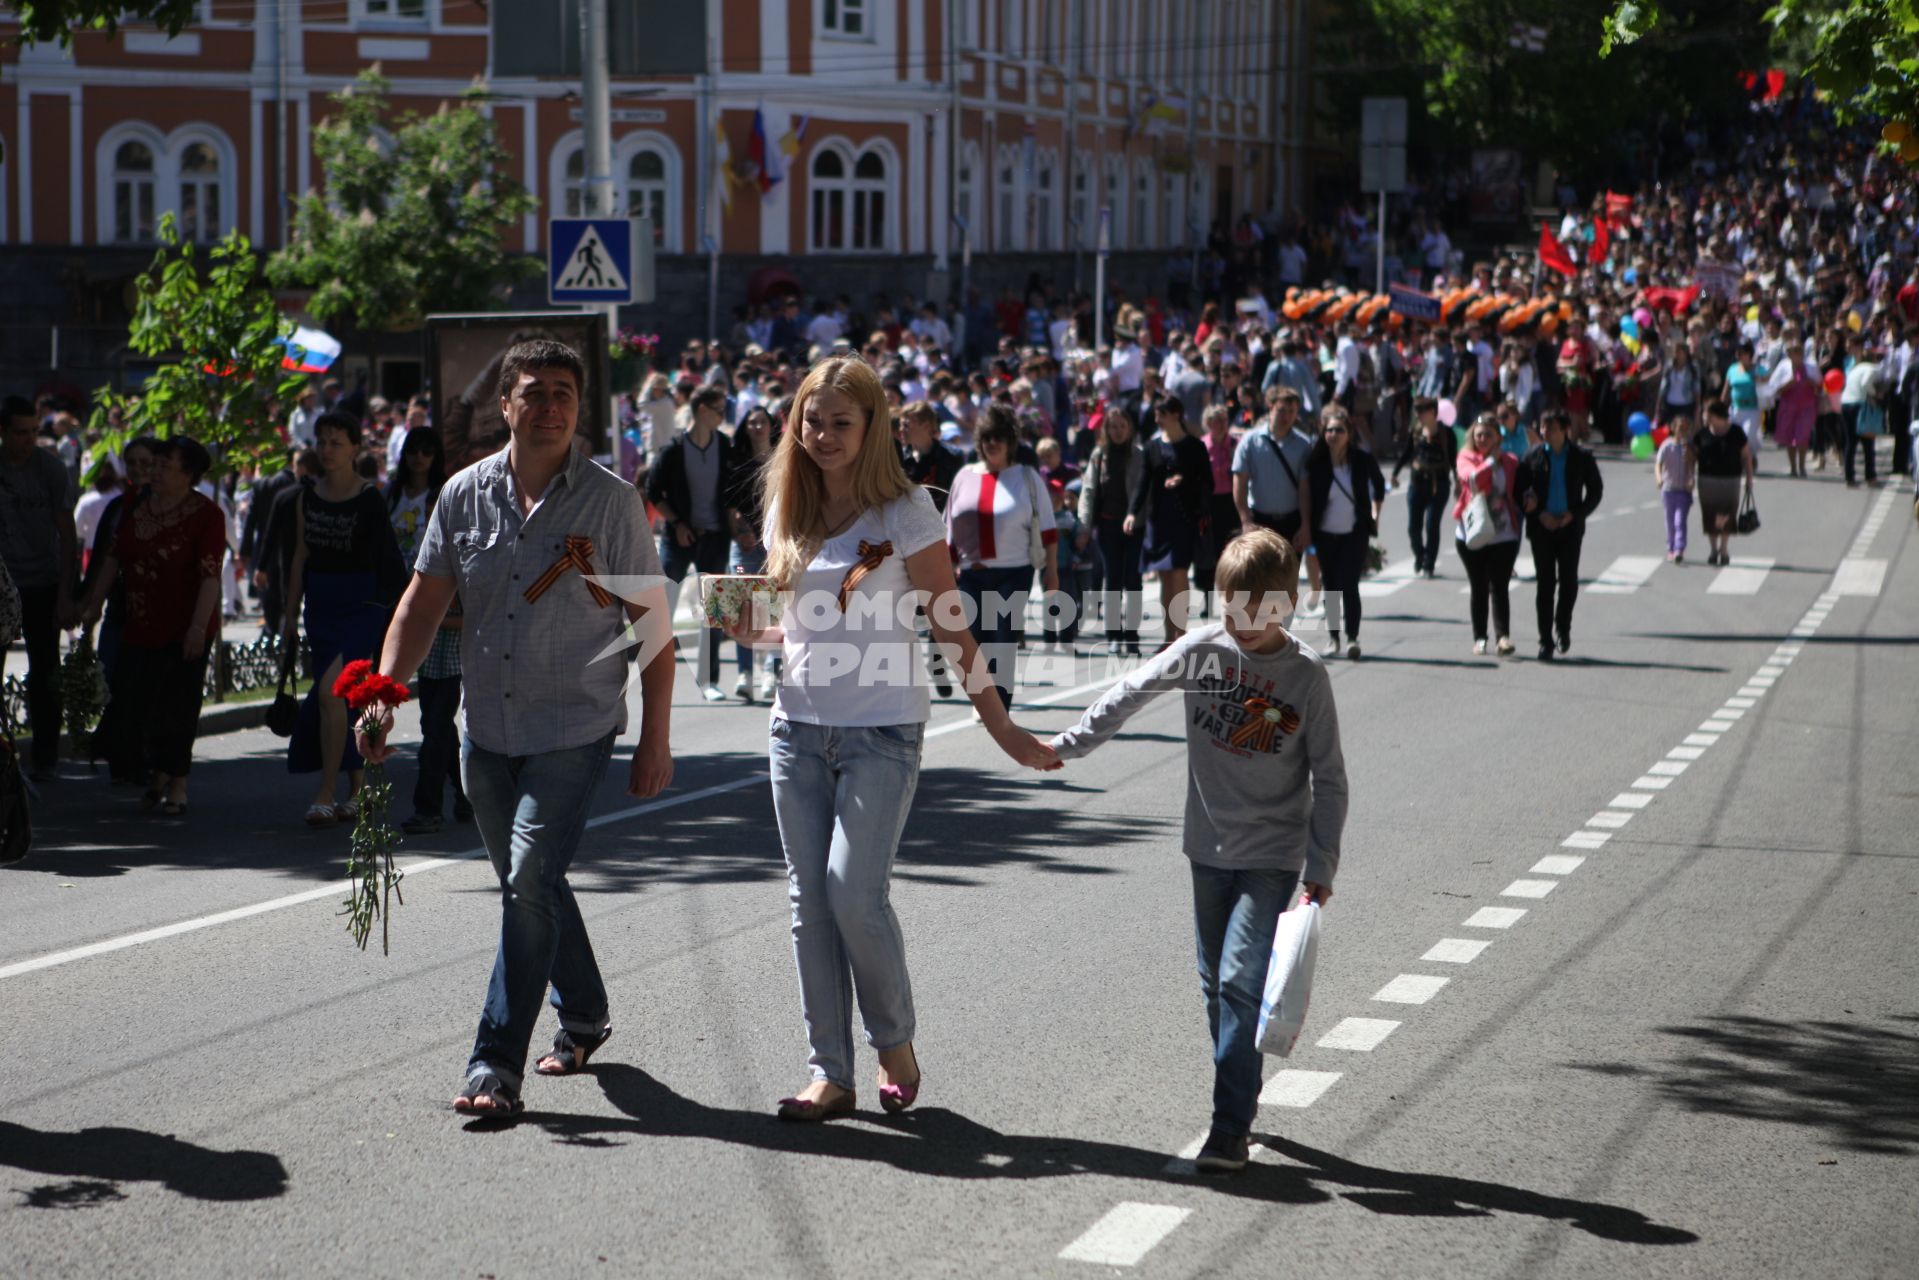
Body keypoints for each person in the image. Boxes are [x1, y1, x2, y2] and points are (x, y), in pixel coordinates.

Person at [723, 356, 1058, 1121]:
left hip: (881, 732)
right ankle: (828, 1073)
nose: (823, 434)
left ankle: (893, 1040)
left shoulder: (906, 510)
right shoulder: (788, 507)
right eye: (812, 419)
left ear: (873, 428)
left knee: (852, 894)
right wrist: (753, 631)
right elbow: (794, 625)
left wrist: (997, 721)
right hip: (796, 729)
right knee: (809, 903)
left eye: (842, 421)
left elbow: (948, 620)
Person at [358, 339, 675, 1118]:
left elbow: (651, 627)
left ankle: (493, 1063)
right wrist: (382, 692)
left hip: (577, 725)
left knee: (528, 879)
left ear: (580, 408)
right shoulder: (462, 495)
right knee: (530, 884)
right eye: (533, 392)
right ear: (504, 405)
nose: (550, 406)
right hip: (486, 731)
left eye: (564, 393)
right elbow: (421, 606)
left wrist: (656, 738)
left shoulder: (611, 503)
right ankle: (586, 1013)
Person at [1048, 528, 1346, 1174]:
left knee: (1240, 982)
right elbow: (1131, 691)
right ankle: (1242, 1084)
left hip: (1271, 853)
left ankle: (1228, 1127)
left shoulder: (1304, 676)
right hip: (1205, 845)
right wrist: (1068, 744)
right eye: (1231, 608)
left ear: (1287, 603)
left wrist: (1321, 865)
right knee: (1215, 986)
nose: (1242, 624)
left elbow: (1330, 777)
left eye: (1257, 611)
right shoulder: (1202, 649)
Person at [75, 437, 224, 815]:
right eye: (153, 465)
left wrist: (196, 627)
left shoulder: (206, 514)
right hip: (140, 623)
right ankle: (159, 770)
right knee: (138, 705)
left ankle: (177, 783)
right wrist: (92, 606)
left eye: (163, 466)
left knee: (178, 706)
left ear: (187, 474)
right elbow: (113, 558)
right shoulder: (137, 507)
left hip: (186, 627)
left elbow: (210, 577)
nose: (153, 472)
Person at [283, 411, 406, 825]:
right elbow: (299, 555)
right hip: (321, 604)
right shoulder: (306, 496)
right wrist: (288, 617)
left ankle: (325, 792)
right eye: (322, 441)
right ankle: (359, 789)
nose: (327, 449)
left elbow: (386, 562)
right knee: (347, 698)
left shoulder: (370, 498)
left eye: (337, 442)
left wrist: (387, 610)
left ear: (356, 448)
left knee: (330, 694)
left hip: (361, 604)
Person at [945, 405, 1058, 709]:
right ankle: (984, 701)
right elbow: (950, 527)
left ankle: (999, 708)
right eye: (986, 437)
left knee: (1002, 638)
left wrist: (1052, 574)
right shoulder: (964, 477)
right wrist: (949, 564)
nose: (991, 443)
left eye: (998, 437)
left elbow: (1048, 530)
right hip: (969, 573)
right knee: (974, 639)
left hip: (1014, 572)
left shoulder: (1027, 477)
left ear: (1010, 442)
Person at [0, 395, 78, 779]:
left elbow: (67, 533)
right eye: (20, 433)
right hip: (3, 583)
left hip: (42, 582)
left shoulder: (50, 468)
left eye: (34, 431)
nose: (29, 440)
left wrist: (67, 593)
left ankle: (46, 753)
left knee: (45, 669)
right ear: (3, 432)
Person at [647, 385, 737, 701]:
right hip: (678, 537)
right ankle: (652, 679)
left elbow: (737, 489)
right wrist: (677, 523)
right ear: (702, 410)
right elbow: (653, 491)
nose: (723, 416)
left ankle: (708, 681)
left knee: (712, 611)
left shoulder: (726, 446)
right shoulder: (673, 450)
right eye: (719, 409)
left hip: (715, 538)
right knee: (662, 606)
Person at [1515, 409, 1604, 661]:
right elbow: (1519, 489)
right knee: (1545, 585)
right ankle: (1545, 641)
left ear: (1565, 430)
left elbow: (1595, 491)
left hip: (1569, 527)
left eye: (1551, 428)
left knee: (1568, 582)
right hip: (1541, 527)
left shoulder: (1581, 457)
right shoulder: (1532, 456)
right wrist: (1536, 511)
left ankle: (1562, 627)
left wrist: (1575, 514)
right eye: (1543, 427)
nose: (1545, 432)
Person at [1303, 404, 1385, 659]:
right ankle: (1333, 637)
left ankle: (1352, 637)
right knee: (1331, 586)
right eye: (1329, 430)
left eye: (1339, 430)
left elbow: (1379, 486)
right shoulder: (1316, 462)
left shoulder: (1361, 460)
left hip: (1354, 533)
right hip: (1325, 534)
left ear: (1348, 432)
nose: (1333, 435)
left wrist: (1375, 513)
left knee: (1350, 584)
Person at [1139, 394, 1213, 647]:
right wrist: (1132, 512)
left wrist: (1185, 483)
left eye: (1160, 413)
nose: (1156, 418)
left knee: (1179, 571)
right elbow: (1144, 483)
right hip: (1159, 519)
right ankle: (1168, 635)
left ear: (1174, 414)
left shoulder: (1195, 446)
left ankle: (1180, 635)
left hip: (1184, 517)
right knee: (1165, 576)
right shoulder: (1152, 447)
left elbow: (1207, 483)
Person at [1077, 406, 1146, 655]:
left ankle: (1132, 635)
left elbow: (1145, 493)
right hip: (1107, 526)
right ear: (1106, 429)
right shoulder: (1099, 455)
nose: (1117, 431)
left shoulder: (1139, 455)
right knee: (1112, 579)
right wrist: (1084, 526)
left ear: (1130, 428)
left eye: (1122, 426)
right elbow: (1088, 492)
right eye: (1113, 426)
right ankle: (1114, 634)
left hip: (1135, 527)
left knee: (1133, 580)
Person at [726, 403, 782, 702]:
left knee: (771, 606)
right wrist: (741, 533)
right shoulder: (738, 464)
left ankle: (772, 670)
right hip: (745, 544)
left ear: (770, 426)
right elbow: (731, 508)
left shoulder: (783, 463)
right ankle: (745, 673)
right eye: (752, 422)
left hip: (774, 546)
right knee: (741, 607)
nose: (757, 427)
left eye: (762, 422)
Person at [1453, 413, 1522, 657]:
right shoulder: (1466, 457)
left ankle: (1503, 637)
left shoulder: (1510, 461)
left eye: (1487, 435)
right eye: (1478, 434)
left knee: (1499, 586)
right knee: (1479, 586)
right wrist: (1491, 461)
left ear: (1497, 438)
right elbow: (1472, 481)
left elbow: (1520, 489)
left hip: (1502, 533)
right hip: (1472, 533)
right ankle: (1333, 636)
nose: (1481, 439)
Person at [1231, 386, 1314, 549]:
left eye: (1292, 411)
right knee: (1260, 573)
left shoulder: (1303, 445)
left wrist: (1305, 525)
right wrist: (1246, 521)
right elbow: (1239, 483)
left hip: (1291, 521)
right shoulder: (1250, 442)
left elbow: (1305, 489)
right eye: (1282, 410)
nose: (1287, 416)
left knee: (1289, 573)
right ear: (1271, 407)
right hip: (1260, 521)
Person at [1392, 395, 1455, 578]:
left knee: (1432, 525)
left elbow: (1453, 459)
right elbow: (1406, 454)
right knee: (1413, 527)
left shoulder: (1446, 433)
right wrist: (1395, 474)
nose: (1418, 414)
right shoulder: (1416, 431)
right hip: (1417, 484)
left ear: (1433, 412)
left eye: (1422, 410)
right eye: (1416, 410)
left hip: (1439, 484)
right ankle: (1420, 555)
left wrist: (1460, 482)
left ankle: (1429, 565)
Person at [1193, 403, 1243, 613]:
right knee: (1209, 551)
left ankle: (1231, 598)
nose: (1220, 425)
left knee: (1231, 551)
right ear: (1208, 424)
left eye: (1223, 420)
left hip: (1231, 503)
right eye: (1215, 421)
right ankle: (1207, 598)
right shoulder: (1202, 446)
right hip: (1209, 503)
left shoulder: (1235, 444)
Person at [1693, 400, 1755, 567]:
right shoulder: (1702, 434)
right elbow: (1692, 457)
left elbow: (1746, 457)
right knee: (1710, 515)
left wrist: (1749, 478)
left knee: (1727, 515)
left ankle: (1724, 549)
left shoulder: (1736, 432)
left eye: (1707, 413)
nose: (1704, 416)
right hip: (1707, 480)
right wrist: (1689, 477)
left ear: (1716, 415)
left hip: (1731, 480)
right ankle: (1713, 550)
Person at [1767, 329, 1821, 478]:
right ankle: (1793, 467)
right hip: (1788, 406)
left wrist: (1809, 382)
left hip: (1806, 406)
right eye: (1792, 351)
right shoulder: (1783, 367)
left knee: (1802, 436)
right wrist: (1788, 384)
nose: (1796, 354)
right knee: (1789, 437)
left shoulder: (1810, 366)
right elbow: (1774, 388)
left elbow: (1819, 386)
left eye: (1798, 351)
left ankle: (1802, 466)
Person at [1655, 414, 1696, 563]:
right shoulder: (1666, 445)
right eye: (1680, 429)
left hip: (1683, 490)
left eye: (1685, 430)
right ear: (1673, 429)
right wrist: (1659, 478)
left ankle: (1679, 548)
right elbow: (1658, 464)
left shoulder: (1688, 447)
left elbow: (1692, 465)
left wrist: (1692, 480)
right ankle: (1671, 548)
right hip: (1668, 489)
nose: (1682, 432)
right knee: (1670, 522)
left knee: (1680, 521)